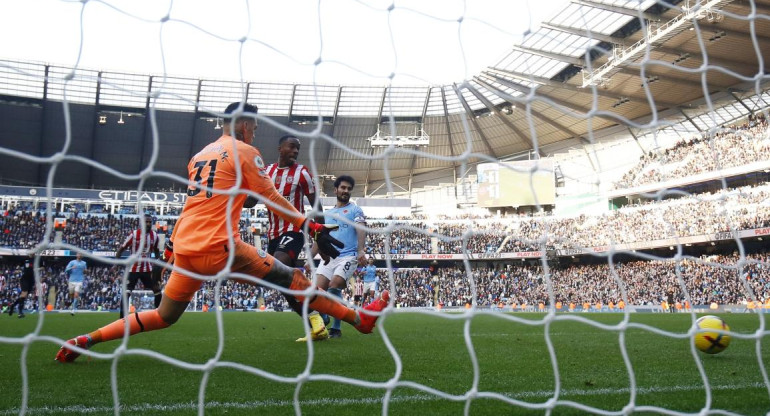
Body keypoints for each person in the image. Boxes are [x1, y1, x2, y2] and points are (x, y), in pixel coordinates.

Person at [55, 102, 389, 363]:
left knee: (164, 315)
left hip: (187, 250)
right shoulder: (245, 152)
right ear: (244, 126)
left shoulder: (199, 156)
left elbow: (194, 205)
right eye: (254, 129)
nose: (255, 135)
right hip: (222, 248)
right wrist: (308, 224)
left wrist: (171, 247)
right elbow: (271, 196)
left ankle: (86, 340)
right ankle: (359, 320)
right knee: (295, 279)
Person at [265, 134, 329, 342]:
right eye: (291, 147)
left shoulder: (302, 173)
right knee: (280, 281)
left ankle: (319, 306)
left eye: (297, 149)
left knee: (279, 266)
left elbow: (316, 206)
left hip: (294, 230)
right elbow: (249, 200)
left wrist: (322, 237)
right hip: (273, 233)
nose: (295, 151)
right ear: (280, 148)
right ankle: (316, 319)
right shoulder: (267, 172)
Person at [309, 175, 367, 339]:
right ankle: (325, 316)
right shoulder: (327, 214)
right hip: (328, 258)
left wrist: (361, 250)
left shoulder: (355, 209)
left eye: (348, 188)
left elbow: (360, 228)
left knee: (334, 285)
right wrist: (309, 258)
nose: (346, 191)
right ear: (335, 190)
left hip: (348, 256)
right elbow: (319, 238)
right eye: (343, 187)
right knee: (317, 293)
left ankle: (336, 327)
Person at [115, 216, 162, 318]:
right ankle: (122, 318)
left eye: (150, 222)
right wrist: (116, 263)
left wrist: (158, 265)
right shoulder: (134, 234)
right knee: (126, 292)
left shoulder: (155, 236)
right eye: (146, 222)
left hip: (147, 269)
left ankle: (158, 316)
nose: (148, 224)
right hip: (133, 269)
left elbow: (157, 251)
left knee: (157, 289)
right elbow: (122, 248)